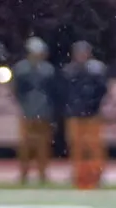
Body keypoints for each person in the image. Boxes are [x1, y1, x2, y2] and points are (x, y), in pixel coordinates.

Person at [62, 40, 110, 188]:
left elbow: (102, 91)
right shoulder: (69, 71)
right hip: (75, 115)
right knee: (76, 146)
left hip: (92, 115)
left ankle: (96, 174)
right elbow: (65, 93)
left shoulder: (96, 70)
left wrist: (92, 106)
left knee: (94, 147)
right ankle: (78, 175)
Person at [13, 37, 57, 185]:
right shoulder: (21, 69)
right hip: (28, 112)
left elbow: (53, 93)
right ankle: (24, 173)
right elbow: (17, 92)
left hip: (43, 112)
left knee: (42, 145)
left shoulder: (47, 70)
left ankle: (42, 173)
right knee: (26, 145)